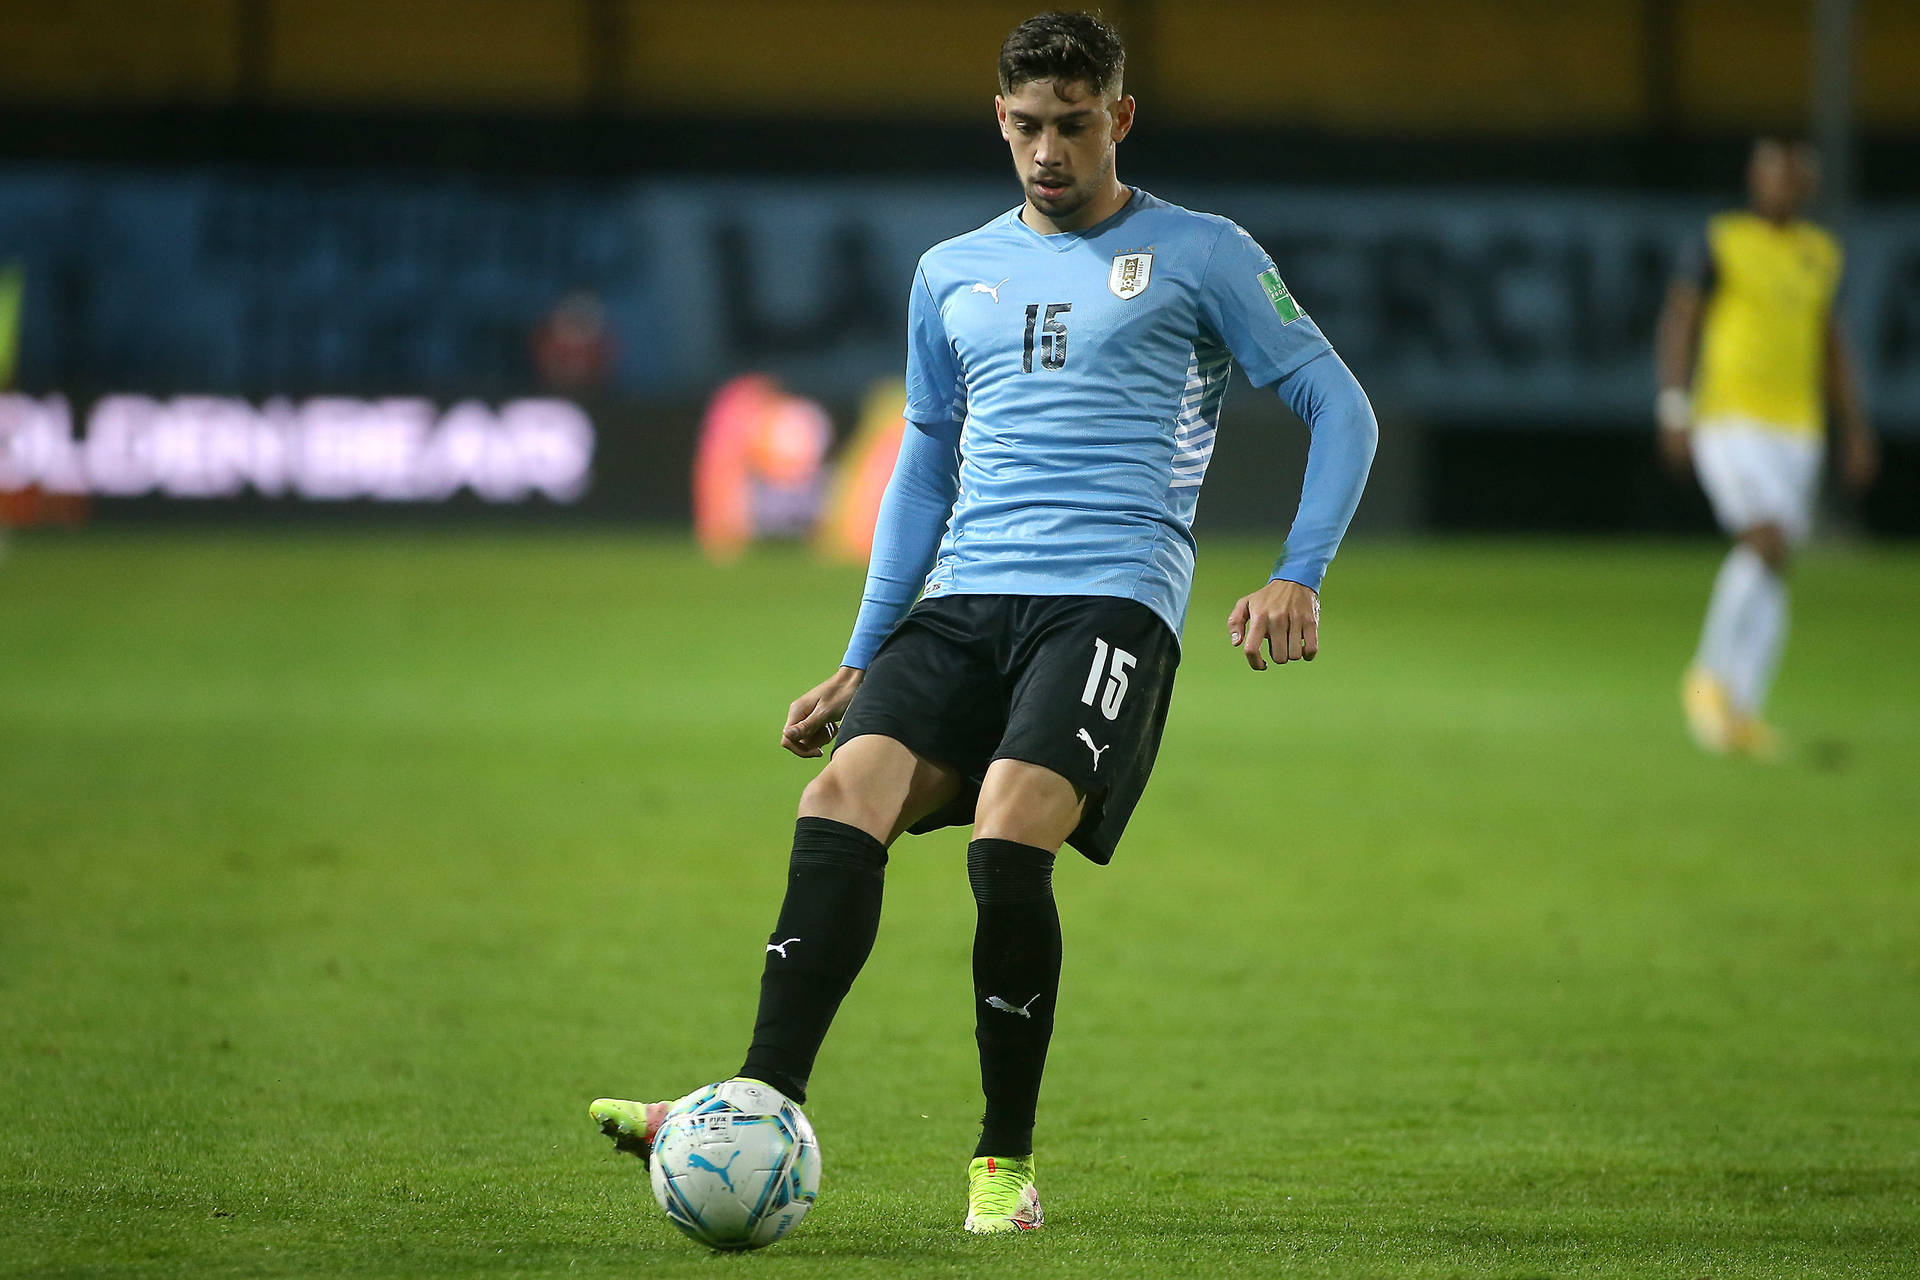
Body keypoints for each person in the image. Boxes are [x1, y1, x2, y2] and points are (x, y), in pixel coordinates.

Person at [590, 10, 1376, 1233]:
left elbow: (1341, 404)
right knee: (839, 797)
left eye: (1072, 125)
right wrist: (865, 650)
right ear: (997, 120)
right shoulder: (951, 270)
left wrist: (1300, 570)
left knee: (1010, 829)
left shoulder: (1204, 253)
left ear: (1119, 118)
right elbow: (923, 459)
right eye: (1025, 127)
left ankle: (1001, 1168)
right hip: (962, 599)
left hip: (1110, 603)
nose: (1047, 152)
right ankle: (752, 1100)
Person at [1655, 138, 1878, 759]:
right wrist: (1674, 402)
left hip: (1797, 427)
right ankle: (1706, 680)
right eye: (1770, 176)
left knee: (1776, 563)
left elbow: (1832, 344)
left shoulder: (1819, 254)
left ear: (1805, 188)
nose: (1779, 188)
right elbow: (1680, 320)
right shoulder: (1720, 240)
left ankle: (1742, 711)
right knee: (1765, 538)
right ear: (1755, 181)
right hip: (1728, 418)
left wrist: (1854, 427)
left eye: (1791, 180)